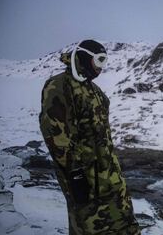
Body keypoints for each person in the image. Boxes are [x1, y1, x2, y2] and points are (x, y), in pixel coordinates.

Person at [39, 39, 140, 235]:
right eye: (99, 60)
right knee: (91, 228)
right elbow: (55, 134)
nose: (101, 68)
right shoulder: (59, 86)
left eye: (105, 62)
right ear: (84, 57)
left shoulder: (96, 92)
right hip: (85, 179)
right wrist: (75, 174)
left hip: (110, 177)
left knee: (126, 225)